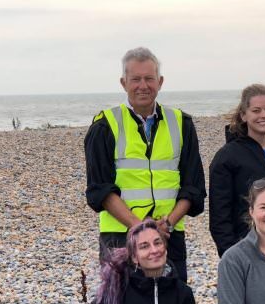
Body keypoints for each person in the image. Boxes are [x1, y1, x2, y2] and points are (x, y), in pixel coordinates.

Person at [84, 46, 206, 282]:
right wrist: (140, 229)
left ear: (160, 82)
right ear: (123, 82)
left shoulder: (181, 124)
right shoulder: (104, 126)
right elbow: (99, 189)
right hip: (120, 236)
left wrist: (167, 224)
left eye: (149, 78)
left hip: (169, 235)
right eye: (136, 79)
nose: (143, 85)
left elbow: (193, 187)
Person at [208, 83, 265, 256]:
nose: (264, 115)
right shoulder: (227, 157)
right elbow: (219, 217)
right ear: (244, 115)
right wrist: (232, 256)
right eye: (256, 110)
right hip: (246, 249)